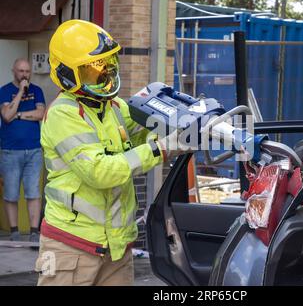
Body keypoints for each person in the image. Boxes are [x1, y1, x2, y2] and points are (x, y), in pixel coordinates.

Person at [35, 19, 190, 286]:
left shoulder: (113, 106)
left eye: (108, 65)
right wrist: (163, 148)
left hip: (115, 247)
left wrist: (183, 119)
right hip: (71, 246)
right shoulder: (64, 114)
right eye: (93, 70)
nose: (105, 75)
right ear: (67, 74)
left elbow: (146, 128)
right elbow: (101, 172)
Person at [0, 58, 46, 242]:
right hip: (10, 151)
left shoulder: (37, 91)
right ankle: (14, 231)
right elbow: (7, 116)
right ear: (14, 71)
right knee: (11, 193)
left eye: (27, 71)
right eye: (21, 71)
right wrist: (20, 92)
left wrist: (19, 114)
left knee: (33, 192)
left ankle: (34, 231)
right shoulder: (4, 91)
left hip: (34, 149)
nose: (24, 75)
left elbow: (40, 114)